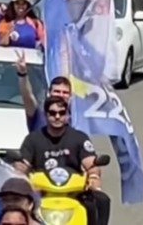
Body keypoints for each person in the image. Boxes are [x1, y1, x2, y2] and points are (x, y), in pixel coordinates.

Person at [13, 96, 110, 225]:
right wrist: (20, 172)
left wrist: (93, 177)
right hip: (41, 193)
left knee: (102, 200)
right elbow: (23, 164)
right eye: (52, 113)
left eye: (62, 113)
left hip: (75, 193)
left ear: (68, 115)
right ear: (46, 115)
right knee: (14, 204)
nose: (57, 116)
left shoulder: (79, 138)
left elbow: (91, 163)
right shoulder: (33, 139)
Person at [14, 50, 72, 132]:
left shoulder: (76, 120)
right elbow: (27, 96)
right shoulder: (38, 115)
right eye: (57, 91)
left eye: (65, 92)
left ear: (70, 96)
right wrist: (22, 74)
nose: (61, 95)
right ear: (49, 93)